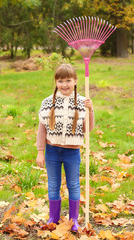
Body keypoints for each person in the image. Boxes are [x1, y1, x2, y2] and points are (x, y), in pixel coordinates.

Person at [36, 63, 94, 232]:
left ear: (75, 81)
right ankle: (53, 217)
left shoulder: (83, 102)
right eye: (60, 81)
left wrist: (90, 111)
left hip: (72, 151)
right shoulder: (47, 102)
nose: (64, 84)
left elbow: (87, 129)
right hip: (52, 151)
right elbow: (41, 130)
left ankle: (73, 220)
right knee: (53, 184)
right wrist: (41, 152)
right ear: (56, 82)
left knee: (73, 184)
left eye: (68, 80)